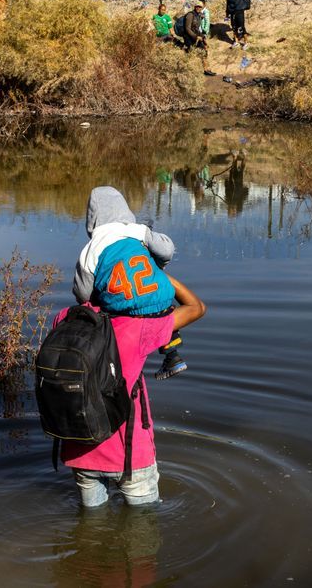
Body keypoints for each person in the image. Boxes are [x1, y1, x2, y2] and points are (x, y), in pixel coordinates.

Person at [57, 274, 206, 507]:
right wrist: (157, 273)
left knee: (92, 529)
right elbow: (196, 308)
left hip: (79, 449)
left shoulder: (65, 319)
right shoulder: (137, 327)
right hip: (130, 455)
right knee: (142, 530)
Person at [73, 186, 188, 380]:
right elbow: (167, 249)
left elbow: (82, 293)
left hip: (124, 312)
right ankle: (172, 355)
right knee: (162, 303)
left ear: (92, 217)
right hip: (160, 303)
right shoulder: (139, 231)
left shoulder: (90, 249)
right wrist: (158, 264)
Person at [183, 2, 217, 77]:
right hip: (188, 37)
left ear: (202, 8)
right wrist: (196, 37)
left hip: (196, 36)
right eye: (197, 6)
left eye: (200, 7)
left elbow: (197, 29)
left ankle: (206, 70)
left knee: (204, 51)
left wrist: (203, 38)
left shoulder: (199, 15)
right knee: (190, 54)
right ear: (194, 7)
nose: (198, 8)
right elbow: (187, 29)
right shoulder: (190, 15)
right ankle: (188, 72)